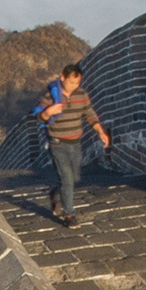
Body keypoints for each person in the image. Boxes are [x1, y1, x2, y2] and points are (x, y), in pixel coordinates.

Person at [34, 61, 107, 225]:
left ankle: (56, 194)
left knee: (73, 178)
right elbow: (38, 116)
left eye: (78, 82)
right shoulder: (51, 96)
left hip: (75, 142)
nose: (75, 86)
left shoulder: (81, 94)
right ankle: (69, 215)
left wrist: (100, 131)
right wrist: (48, 112)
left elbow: (89, 113)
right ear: (62, 78)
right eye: (72, 82)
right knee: (67, 178)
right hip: (57, 142)